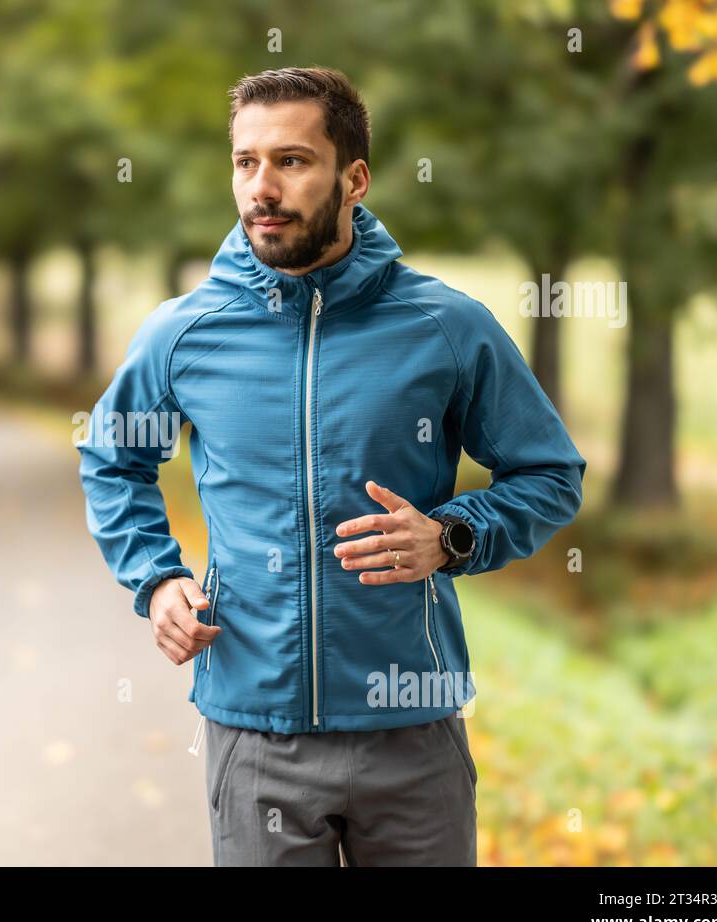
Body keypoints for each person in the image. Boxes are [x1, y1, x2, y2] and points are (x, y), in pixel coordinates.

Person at [76, 66, 585, 866]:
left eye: (292, 161)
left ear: (354, 178)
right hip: (255, 733)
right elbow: (112, 457)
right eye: (246, 163)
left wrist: (452, 536)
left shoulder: (446, 326)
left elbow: (550, 473)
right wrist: (156, 576)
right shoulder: (183, 332)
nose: (262, 188)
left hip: (411, 728)